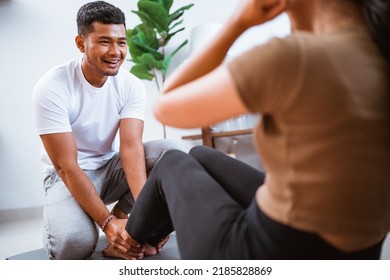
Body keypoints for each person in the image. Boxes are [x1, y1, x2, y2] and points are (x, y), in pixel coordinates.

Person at [103, 0, 390, 260]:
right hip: (360, 250)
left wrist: (238, 24)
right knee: (202, 154)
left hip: (270, 250)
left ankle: (128, 240)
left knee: (173, 161)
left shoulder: (295, 56)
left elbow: (166, 106)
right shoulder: (376, 51)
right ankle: (147, 237)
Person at [32, 1, 191, 260]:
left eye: (121, 42)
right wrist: (107, 225)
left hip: (109, 169)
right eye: (104, 41)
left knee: (175, 151)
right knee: (74, 244)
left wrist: (144, 219)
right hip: (66, 177)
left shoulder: (130, 85)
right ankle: (92, 224)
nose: (115, 51)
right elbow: (66, 166)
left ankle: (123, 222)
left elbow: (130, 148)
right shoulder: (52, 87)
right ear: (81, 43)